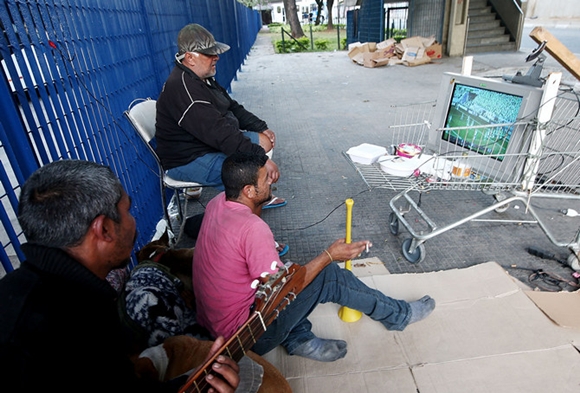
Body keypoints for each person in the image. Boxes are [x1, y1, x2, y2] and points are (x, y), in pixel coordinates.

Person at [0, 159, 240, 392]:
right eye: (127, 211)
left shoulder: (29, 292)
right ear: (104, 229)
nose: (133, 221)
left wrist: (193, 382)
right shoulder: (68, 330)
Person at [192, 152, 436, 362]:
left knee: (293, 268)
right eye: (265, 179)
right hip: (244, 339)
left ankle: (298, 338)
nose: (271, 181)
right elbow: (283, 288)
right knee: (326, 275)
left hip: (215, 326)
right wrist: (330, 255)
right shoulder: (252, 229)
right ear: (248, 190)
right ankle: (399, 315)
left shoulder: (217, 203)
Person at [155, 23, 286, 211]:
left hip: (206, 144)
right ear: (190, 58)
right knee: (251, 177)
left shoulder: (201, 77)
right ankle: (251, 222)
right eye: (209, 54)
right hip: (187, 159)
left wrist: (260, 126)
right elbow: (221, 134)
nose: (216, 57)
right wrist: (261, 161)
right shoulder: (184, 89)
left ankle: (255, 196)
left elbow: (231, 106)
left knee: (264, 141)